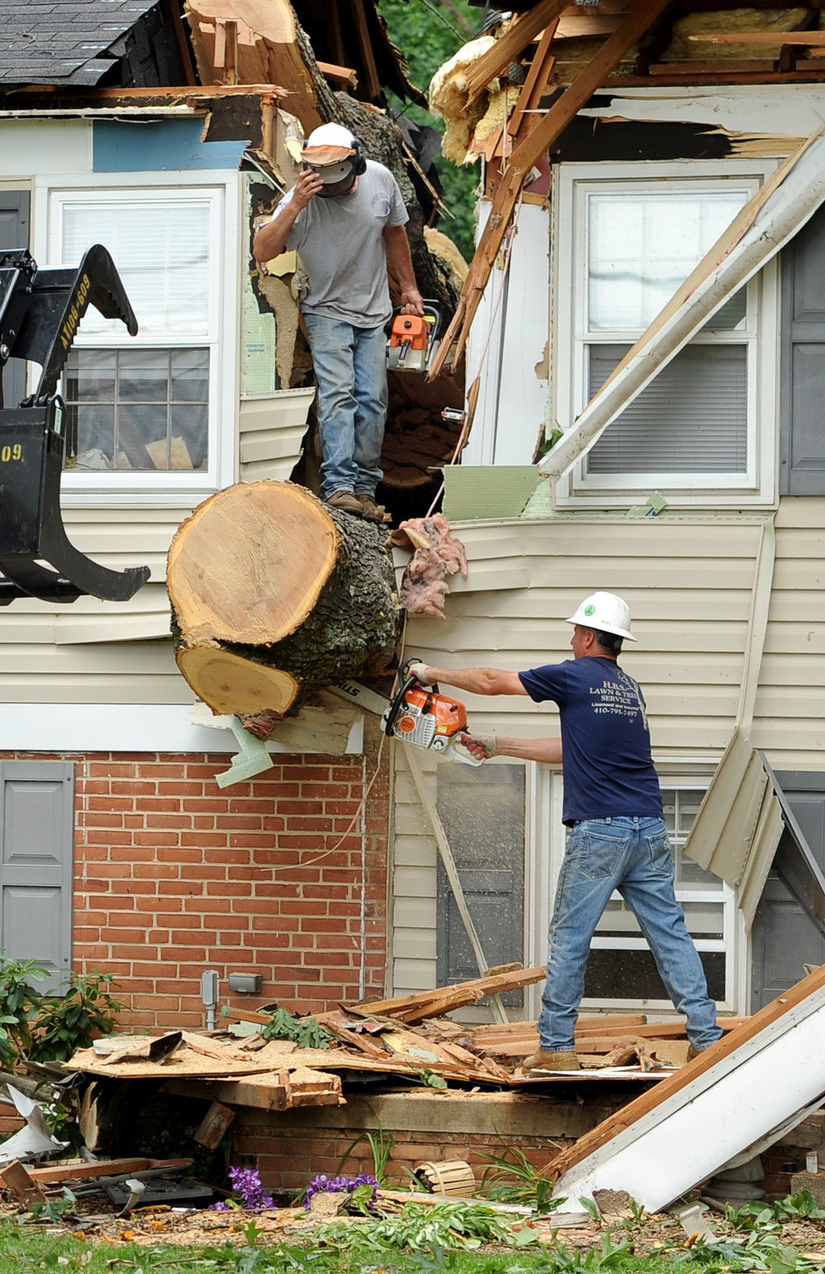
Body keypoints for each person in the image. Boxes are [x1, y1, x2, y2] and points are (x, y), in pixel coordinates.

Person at [408, 592, 725, 1070]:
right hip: (650, 830)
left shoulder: (574, 674)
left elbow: (493, 681)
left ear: (591, 637)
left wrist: (429, 673)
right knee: (670, 934)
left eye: (577, 630)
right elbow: (572, 749)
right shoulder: (628, 689)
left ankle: (556, 1047)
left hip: (602, 832)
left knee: (570, 937)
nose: (571, 637)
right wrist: (499, 745)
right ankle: (706, 1036)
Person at [252, 121, 420, 522]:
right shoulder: (302, 200)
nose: (328, 188)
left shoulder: (380, 180)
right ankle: (339, 485)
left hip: (373, 309)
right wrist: (294, 206)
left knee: (374, 400)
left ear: (355, 165)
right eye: (320, 179)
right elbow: (262, 250)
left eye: (336, 180)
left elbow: (395, 233)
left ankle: (364, 488)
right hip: (326, 310)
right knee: (339, 395)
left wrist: (410, 288)